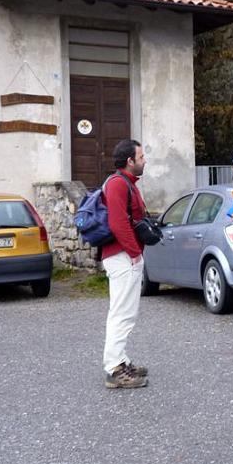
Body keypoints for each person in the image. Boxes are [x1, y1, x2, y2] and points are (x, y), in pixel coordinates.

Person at [100, 139, 150, 389]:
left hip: (123, 256)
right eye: (141, 157)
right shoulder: (119, 184)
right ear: (129, 161)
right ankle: (115, 369)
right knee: (122, 314)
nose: (144, 160)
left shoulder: (124, 183)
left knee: (124, 313)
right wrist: (135, 253)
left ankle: (120, 360)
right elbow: (118, 223)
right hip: (123, 257)